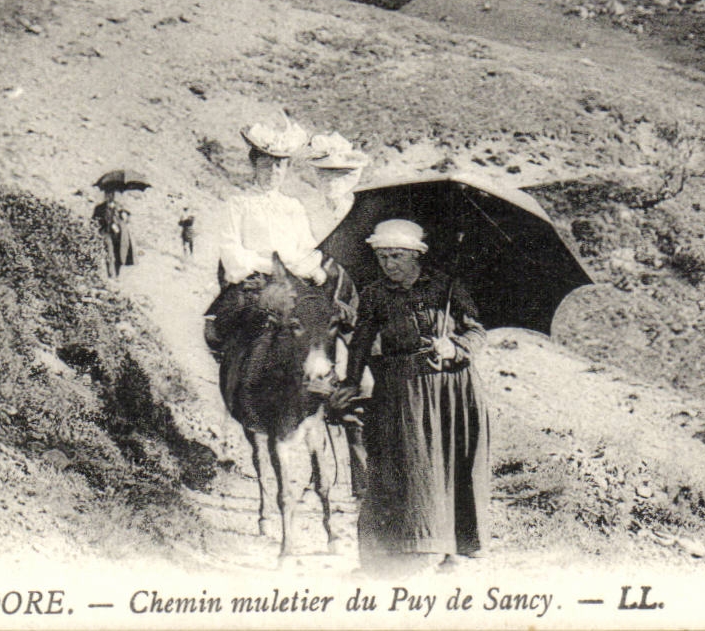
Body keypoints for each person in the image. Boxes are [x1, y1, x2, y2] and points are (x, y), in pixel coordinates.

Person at [332, 219, 490, 573]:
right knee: (407, 465)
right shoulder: (374, 294)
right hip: (400, 390)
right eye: (383, 257)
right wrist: (350, 381)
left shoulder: (447, 288)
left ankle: (453, 549)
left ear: (417, 256)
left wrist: (454, 346)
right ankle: (398, 548)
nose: (389, 264)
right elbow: (359, 342)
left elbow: (476, 330)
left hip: (451, 389)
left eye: (397, 256)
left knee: (449, 465)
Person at [203, 116, 329, 358]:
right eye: (266, 164)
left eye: (279, 166)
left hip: (295, 282)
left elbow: (308, 248)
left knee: (324, 326)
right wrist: (268, 267)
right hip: (256, 283)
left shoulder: (294, 206)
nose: (273, 172)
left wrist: (309, 268)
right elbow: (231, 251)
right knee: (253, 329)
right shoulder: (239, 204)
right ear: (254, 165)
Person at [306, 131, 372, 496]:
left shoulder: (366, 218)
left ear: (356, 177)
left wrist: (348, 310)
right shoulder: (309, 219)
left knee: (358, 395)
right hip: (318, 321)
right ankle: (315, 482)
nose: (334, 182)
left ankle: (365, 491)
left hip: (357, 322)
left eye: (344, 175)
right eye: (327, 174)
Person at [91, 187, 135, 279]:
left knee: (119, 255)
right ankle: (111, 276)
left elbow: (126, 219)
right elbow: (94, 222)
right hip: (106, 233)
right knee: (110, 255)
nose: (110, 196)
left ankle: (117, 275)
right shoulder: (100, 208)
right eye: (108, 194)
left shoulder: (118, 207)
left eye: (112, 194)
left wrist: (124, 216)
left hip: (118, 235)